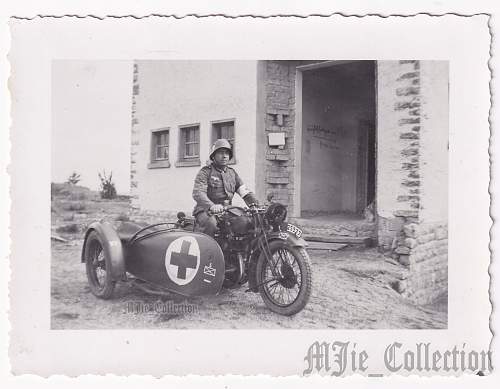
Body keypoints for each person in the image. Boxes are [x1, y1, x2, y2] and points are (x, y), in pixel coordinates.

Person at [192, 139, 258, 237]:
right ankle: (206, 251)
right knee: (211, 225)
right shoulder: (205, 172)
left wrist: (256, 205)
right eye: (220, 153)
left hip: (227, 211)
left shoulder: (232, 173)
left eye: (227, 153)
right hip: (206, 211)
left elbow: (245, 192)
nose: (224, 156)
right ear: (213, 156)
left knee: (246, 222)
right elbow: (198, 193)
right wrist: (211, 206)